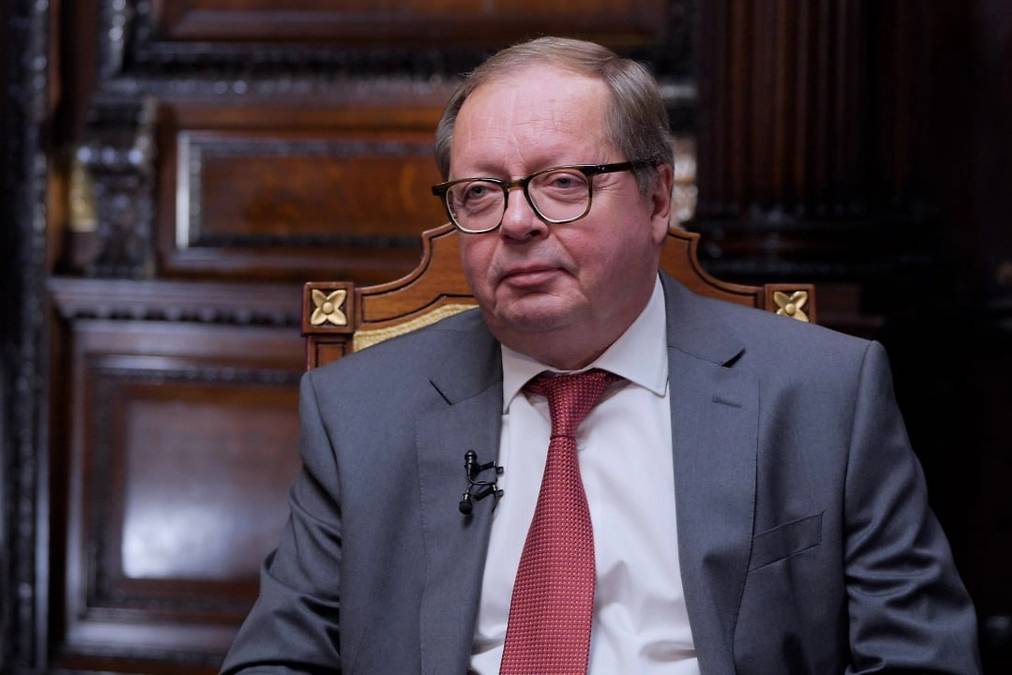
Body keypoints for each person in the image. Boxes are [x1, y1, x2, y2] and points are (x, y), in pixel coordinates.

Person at [221, 37, 980, 674]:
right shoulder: (360, 411)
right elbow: (278, 659)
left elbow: (920, 658)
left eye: (563, 183)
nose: (515, 222)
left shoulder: (822, 394)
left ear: (657, 200)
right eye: (480, 193)